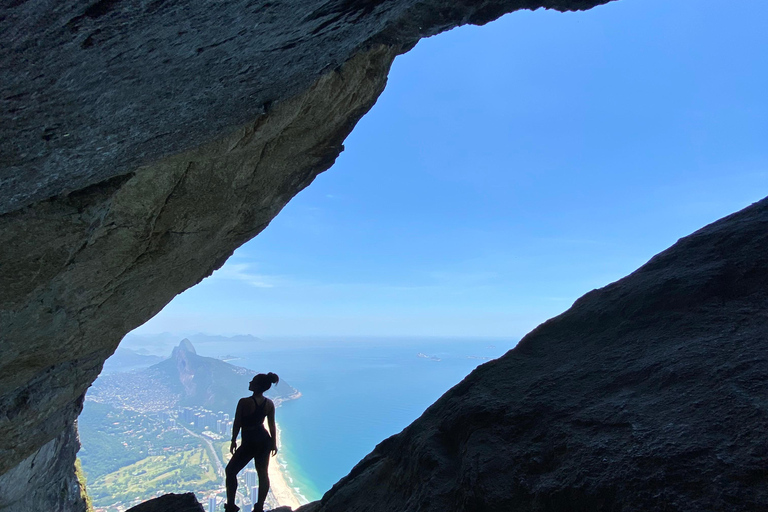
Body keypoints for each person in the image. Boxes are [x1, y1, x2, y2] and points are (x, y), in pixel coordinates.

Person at [225, 372, 279, 512]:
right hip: (264, 440)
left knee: (230, 471)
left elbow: (237, 423)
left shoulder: (244, 402)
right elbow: (272, 425)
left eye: (253, 381)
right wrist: (273, 443)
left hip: (250, 442)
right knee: (263, 473)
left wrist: (233, 440)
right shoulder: (269, 404)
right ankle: (259, 507)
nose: (250, 382)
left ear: (257, 385)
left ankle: (231, 505)